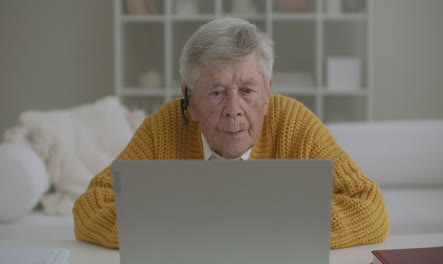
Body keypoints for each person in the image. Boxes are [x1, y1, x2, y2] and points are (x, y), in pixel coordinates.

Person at [73, 17, 389, 249]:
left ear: (268, 92)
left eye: (248, 90)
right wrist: (210, 229)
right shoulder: (165, 126)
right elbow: (90, 206)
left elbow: (370, 208)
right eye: (216, 92)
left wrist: (256, 229)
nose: (234, 108)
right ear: (189, 99)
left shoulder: (293, 121)